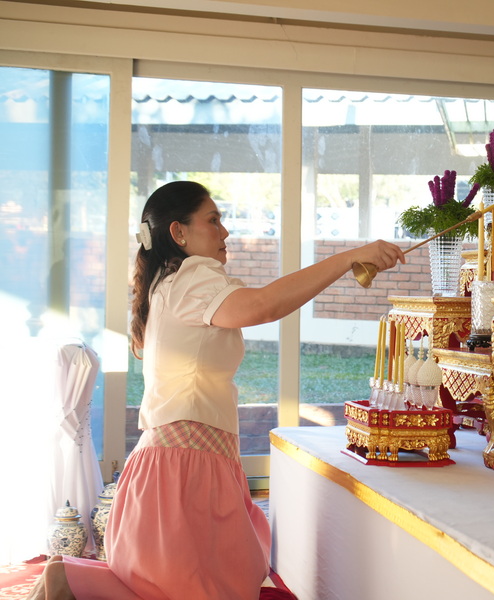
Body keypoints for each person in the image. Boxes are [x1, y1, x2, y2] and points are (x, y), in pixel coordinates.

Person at [29, 180, 405, 600]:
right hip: (183, 469)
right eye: (214, 220)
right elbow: (262, 306)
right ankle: (69, 581)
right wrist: (350, 257)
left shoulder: (169, 283)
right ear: (178, 233)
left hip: (181, 464)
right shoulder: (192, 276)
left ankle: (70, 581)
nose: (225, 232)